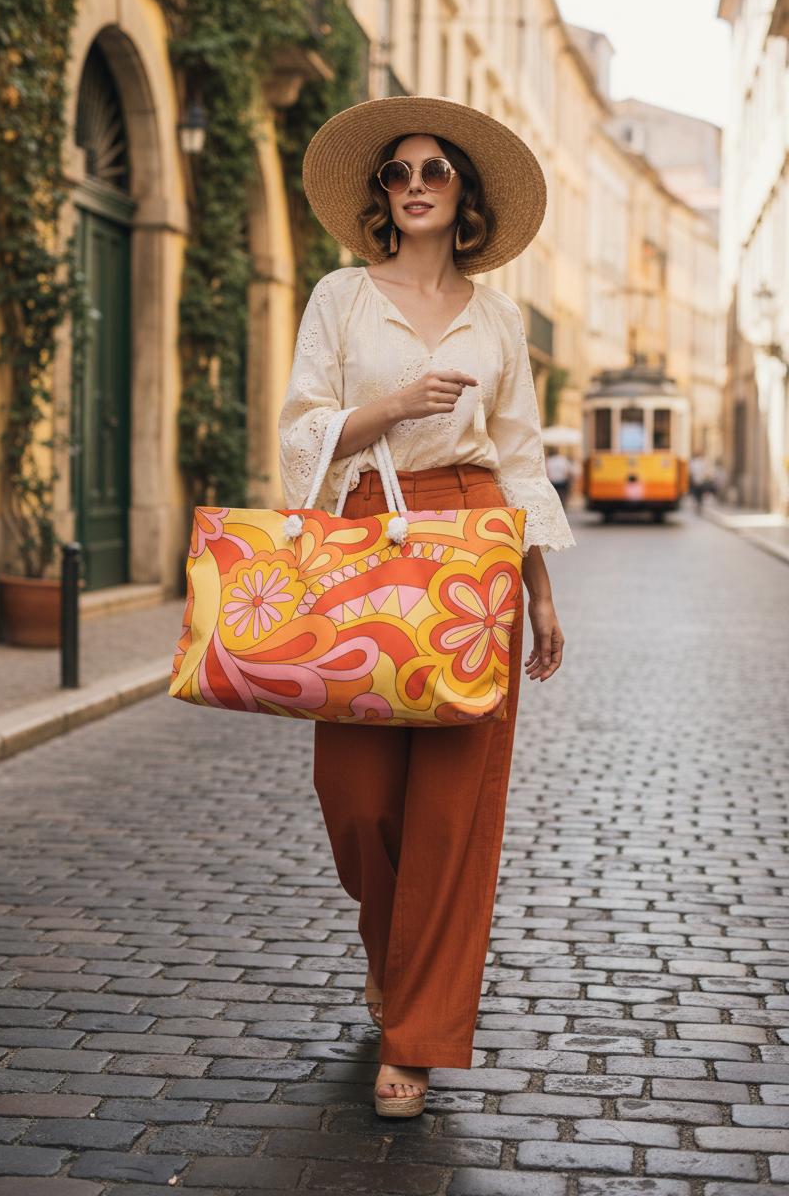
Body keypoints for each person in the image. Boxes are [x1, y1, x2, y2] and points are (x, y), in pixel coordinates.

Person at [278, 97, 574, 1119]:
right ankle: (387, 953)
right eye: (398, 170)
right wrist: (391, 408)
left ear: (463, 198)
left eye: (434, 170)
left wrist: (538, 589)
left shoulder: (501, 319)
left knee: (454, 813)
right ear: (381, 193)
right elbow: (300, 429)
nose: (412, 182)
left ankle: (413, 1036)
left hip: (475, 542)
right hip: (365, 532)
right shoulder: (340, 299)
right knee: (357, 799)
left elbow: (523, 455)